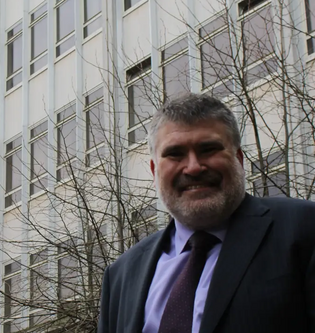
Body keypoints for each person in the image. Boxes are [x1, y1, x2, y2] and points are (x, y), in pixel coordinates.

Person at [97, 93, 315, 333]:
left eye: (208, 149)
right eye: (175, 154)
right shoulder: (120, 275)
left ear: (239, 159)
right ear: (154, 170)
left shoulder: (304, 229)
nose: (193, 167)